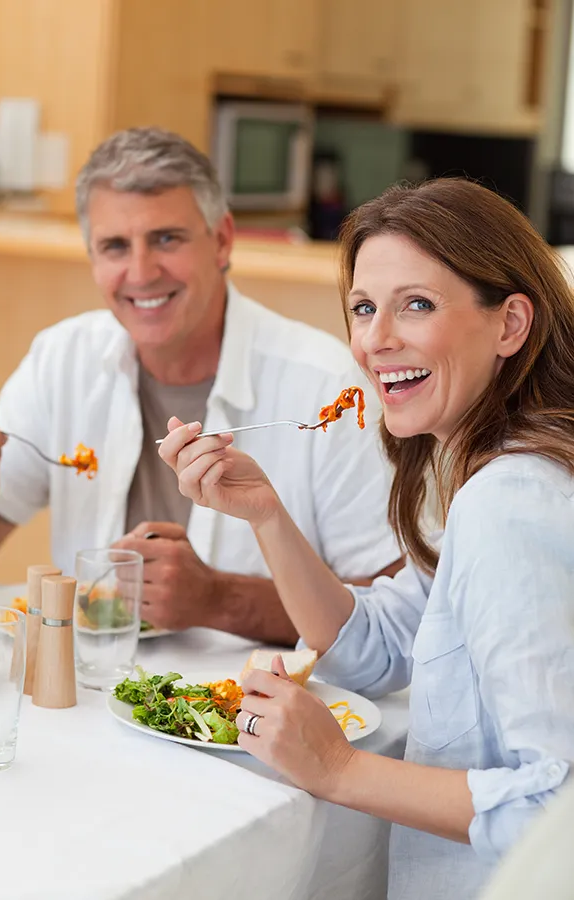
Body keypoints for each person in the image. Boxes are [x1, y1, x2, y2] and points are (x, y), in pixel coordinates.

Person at [159, 177, 574, 898]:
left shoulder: (512, 506)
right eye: (362, 308)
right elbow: (375, 648)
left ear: (510, 325)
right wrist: (265, 513)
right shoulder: (492, 478)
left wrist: (339, 769)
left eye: (416, 304)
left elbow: (558, 807)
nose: (374, 340)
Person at [0, 127, 402, 644]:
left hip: (255, 708)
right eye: (114, 246)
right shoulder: (62, 360)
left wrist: (219, 599)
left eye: (166, 239)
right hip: (85, 699)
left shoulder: (331, 389)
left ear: (221, 239)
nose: (141, 272)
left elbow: (390, 618)